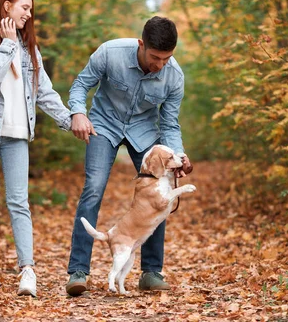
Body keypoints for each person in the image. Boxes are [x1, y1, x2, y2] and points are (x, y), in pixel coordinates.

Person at [64, 16, 193, 296]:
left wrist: (179, 156)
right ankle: (78, 271)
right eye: (155, 57)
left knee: (160, 194)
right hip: (103, 125)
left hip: (144, 133)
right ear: (141, 44)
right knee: (94, 188)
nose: (160, 64)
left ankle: (151, 272)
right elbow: (80, 86)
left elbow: (170, 124)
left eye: (167, 58)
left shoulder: (174, 76)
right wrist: (78, 112)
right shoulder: (110, 53)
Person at [0, 0, 72, 296]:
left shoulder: (29, 49)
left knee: (19, 202)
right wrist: (8, 45)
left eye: (31, 9)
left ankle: (28, 271)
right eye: (24, 7)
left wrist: (70, 120)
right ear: (6, 6)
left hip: (17, 134)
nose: (29, 13)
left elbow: (44, 93)